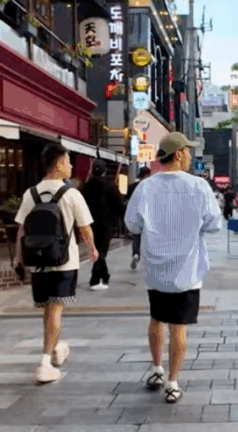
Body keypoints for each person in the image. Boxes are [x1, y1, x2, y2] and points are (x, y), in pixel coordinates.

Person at [124, 132, 223, 404]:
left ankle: (157, 369)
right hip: (187, 269)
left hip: (155, 267)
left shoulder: (145, 187)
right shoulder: (198, 187)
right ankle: (173, 381)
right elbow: (214, 224)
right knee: (179, 326)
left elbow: (132, 224)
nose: (190, 156)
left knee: (157, 318)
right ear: (178, 154)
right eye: (187, 151)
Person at [15, 142, 99, 384]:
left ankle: (55, 348)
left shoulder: (30, 194)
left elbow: (21, 230)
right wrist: (92, 250)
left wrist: (18, 259)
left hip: (37, 261)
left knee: (49, 310)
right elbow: (85, 228)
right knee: (56, 309)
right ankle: (44, 362)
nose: (71, 165)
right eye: (69, 161)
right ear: (60, 164)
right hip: (64, 261)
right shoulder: (71, 194)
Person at [81, 159, 124, 290]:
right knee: (102, 251)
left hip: (90, 223)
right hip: (107, 224)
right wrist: (121, 221)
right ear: (105, 171)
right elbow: (119, 205)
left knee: (96, 250)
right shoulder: (111, 186)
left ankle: (104, 275)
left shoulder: (86, 187)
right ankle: (95, 279)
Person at [127, 166, 152, 270]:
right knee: (149, 238)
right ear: (147, 175)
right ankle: (149, 260)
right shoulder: (151, 187)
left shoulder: (133, 186)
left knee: (136, 237)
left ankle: (136, 254)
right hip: (148, 215)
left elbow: (128, 201)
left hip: (136, 215)